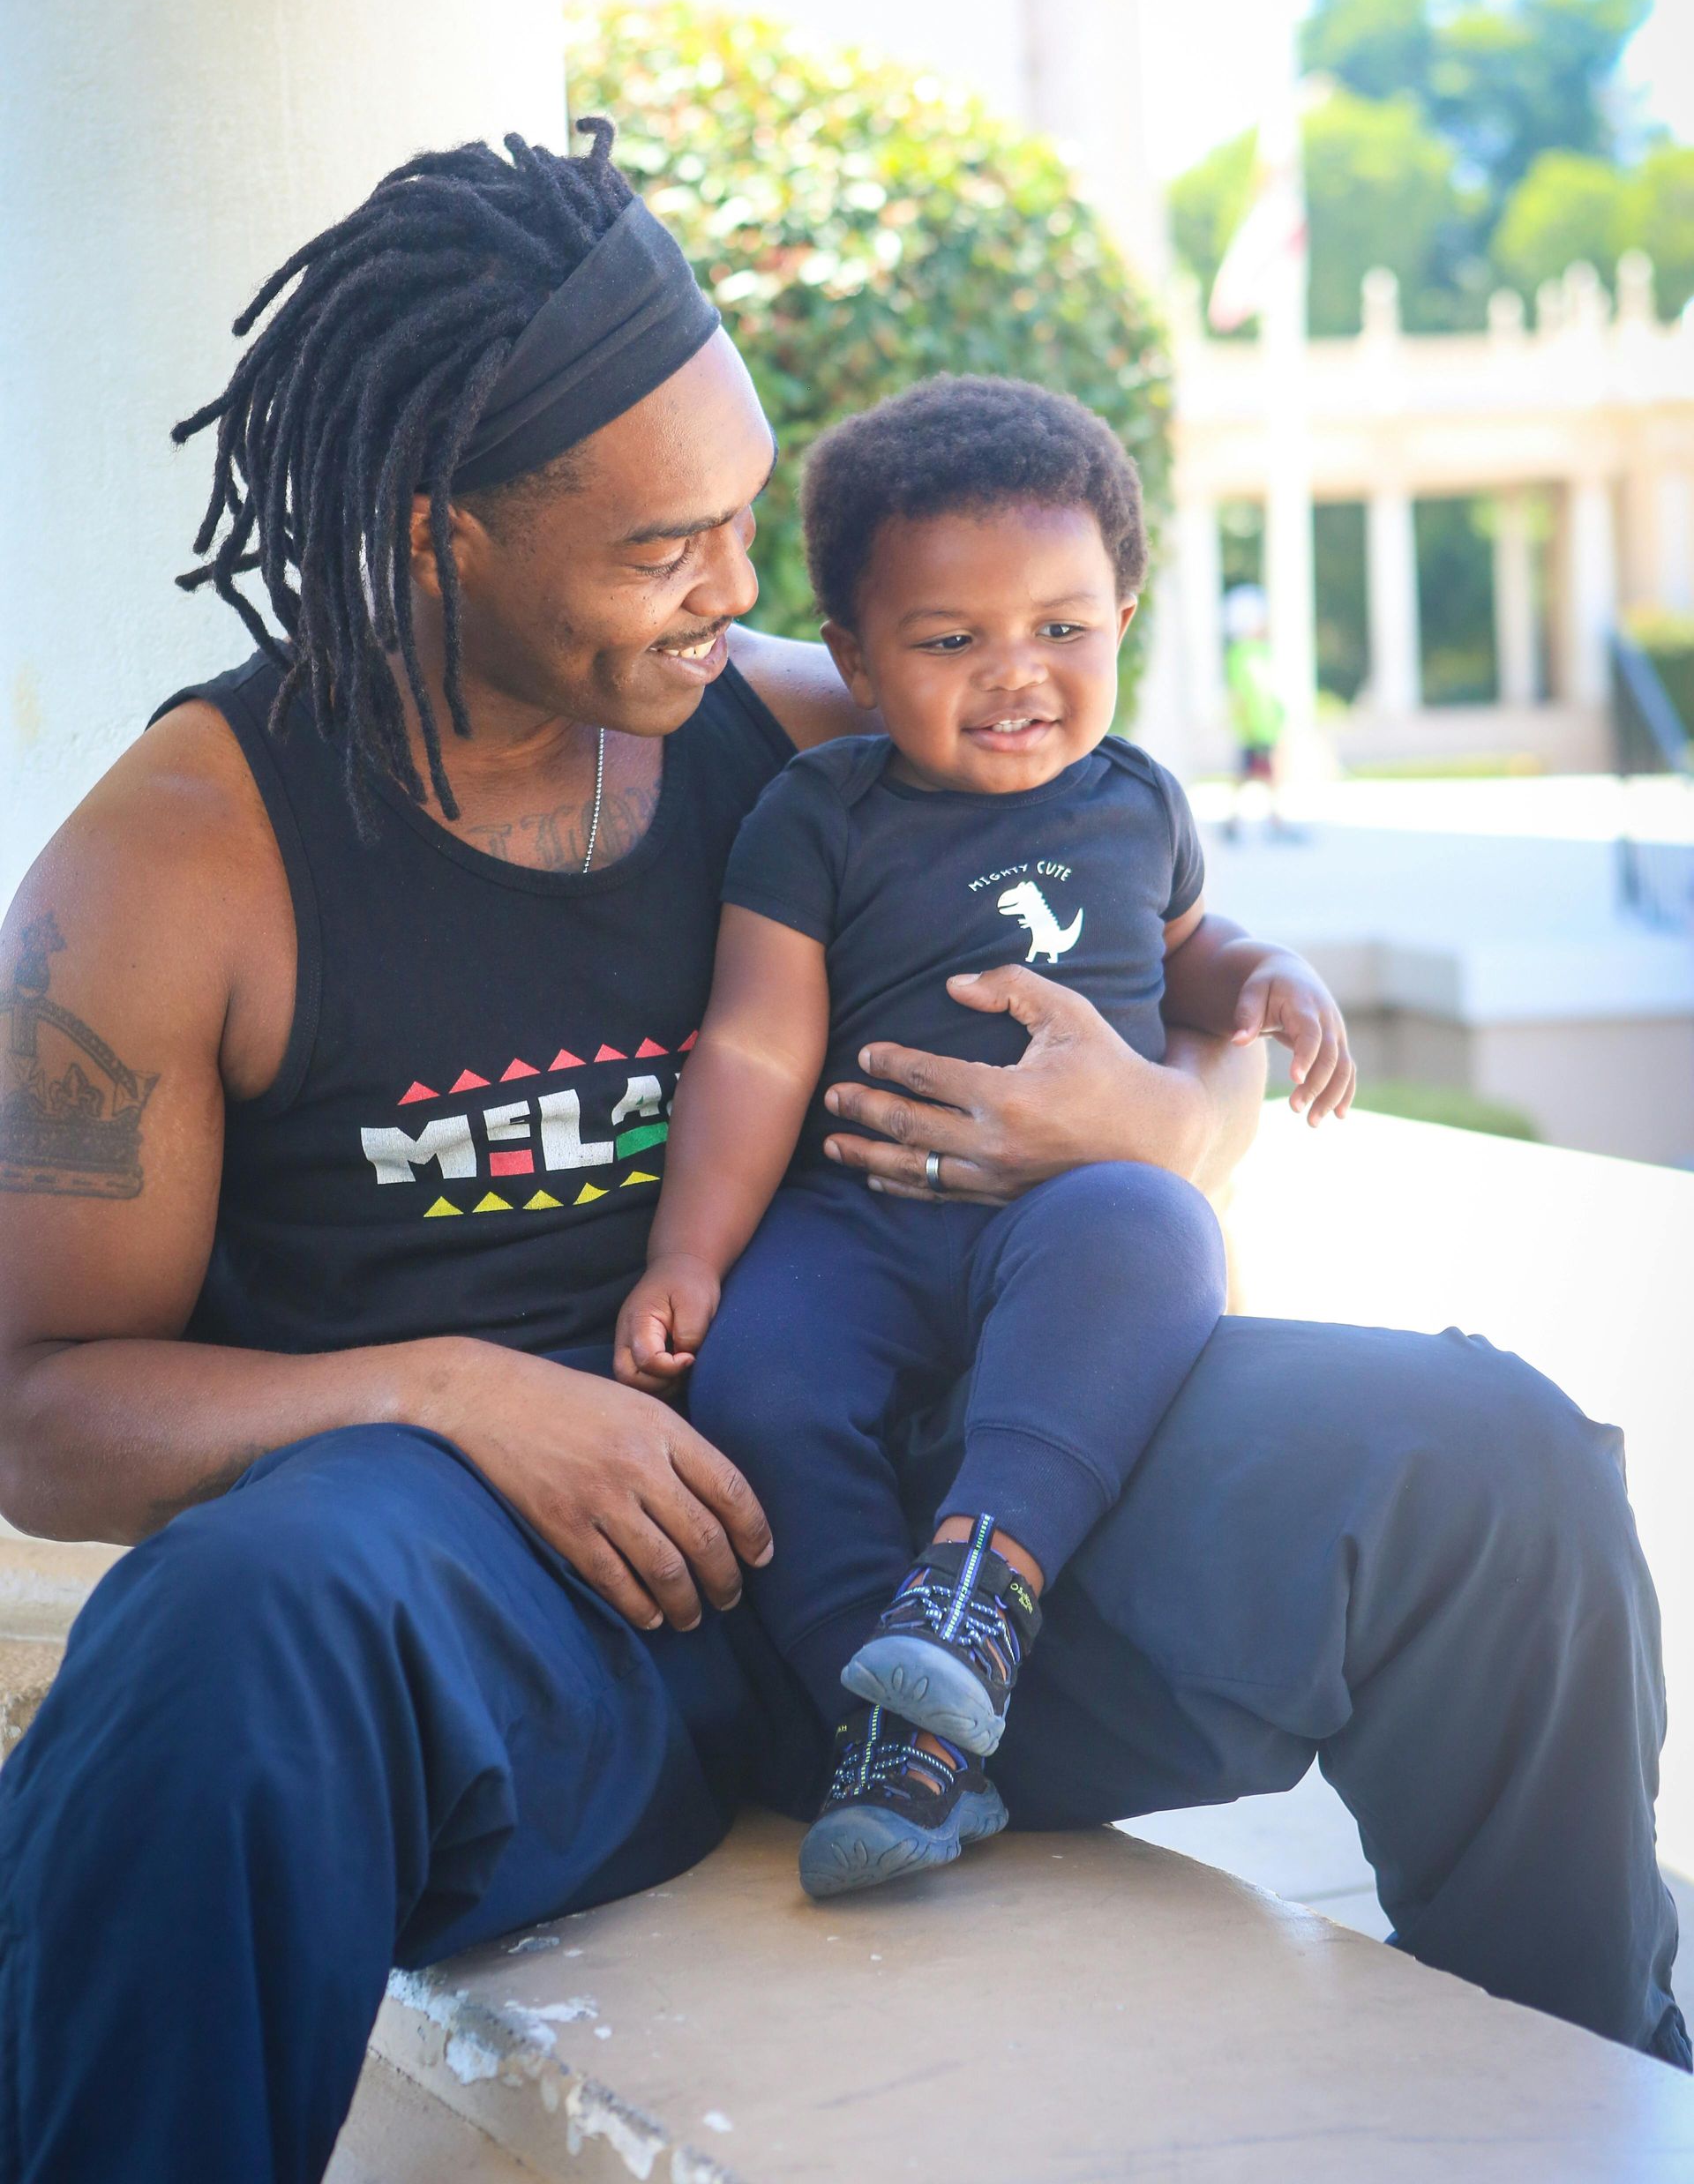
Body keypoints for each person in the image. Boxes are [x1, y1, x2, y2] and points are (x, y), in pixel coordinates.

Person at [0, 130, 1683, 2184]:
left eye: (739, 516)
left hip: (926, 1552)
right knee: (218, 1644)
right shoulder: (181, 858)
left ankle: (1615, 2096)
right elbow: (36, 1404)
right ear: (441, 532)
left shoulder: (796, 728)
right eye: (660, 550)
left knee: (1487, 1460)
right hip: (504, 1602)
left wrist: (1172, 1120)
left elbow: (1174, 970)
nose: (737, 587)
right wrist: (451, 1394)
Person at [615, 376, 1352, 1897]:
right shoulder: (818, 815)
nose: (1016, 674)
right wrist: (692, 1253)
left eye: (1063, 629)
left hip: (1063, 1217)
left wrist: (1266, 981)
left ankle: (981, 1585)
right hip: (853, 1217)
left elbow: (1192, 949)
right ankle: (879, 1735)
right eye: (951, 640)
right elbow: (755, 1047)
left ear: (1125, 616)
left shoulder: (1140, 801)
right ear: (857, 661)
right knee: (762, 1374)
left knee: (1156, 1229)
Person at [1221, 580, 1290, 838]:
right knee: (1255, 774)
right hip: (1255, 728)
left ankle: (1265, 820)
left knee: (1258, 775)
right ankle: (1268, 821)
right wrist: (1248, 724)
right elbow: (1244, 694)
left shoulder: (1260, 652)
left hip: (1266, 726)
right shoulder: (1243, 655)